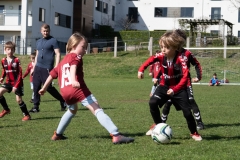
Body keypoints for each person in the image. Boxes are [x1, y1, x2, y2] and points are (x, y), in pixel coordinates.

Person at [38, 32, 134, 144]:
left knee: (72, 110)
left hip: (65, 92)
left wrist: (44, 88)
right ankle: (116, 134)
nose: (85, 50)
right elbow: (73, 66)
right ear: (73, 46)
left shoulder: (63, 61)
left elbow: (52, 74)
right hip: (77, 89)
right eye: (83, 47)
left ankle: (58, 134)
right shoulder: (75, 56)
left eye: (86, 48)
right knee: (97, 108)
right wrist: (73, 80)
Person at [138, 31, 202, 141]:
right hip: (164, 86)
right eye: (161, 47)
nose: (163, 50)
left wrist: (175, 89)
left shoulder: (181, 59)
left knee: (187, 111)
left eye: (166, 47)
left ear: (175, 47)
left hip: (178, 88)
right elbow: (149, 60)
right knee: (152, 102)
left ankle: (194, 133)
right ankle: (158, 126)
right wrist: (141, 70)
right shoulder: (161, 56)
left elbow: (185, 77)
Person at [159, 29, 205, 132]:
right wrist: (158, 77)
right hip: (172, 83)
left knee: (191, 100)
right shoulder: (168, 53)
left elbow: (196, 64)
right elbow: (163, 66)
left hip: (185, 83)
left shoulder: (187, 53)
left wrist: (198, 77)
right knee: (168, 102)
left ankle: (199, 122)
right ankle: (161, 123)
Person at [29, 23, 66, 113]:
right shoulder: (38, 42)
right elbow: (37, 55)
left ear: (49, 31)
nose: (45, 33)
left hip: (47, 67)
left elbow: (57, 53)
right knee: (36, 86)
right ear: (41, 31)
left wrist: (56, 66)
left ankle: (62, 100)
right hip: (38, 67)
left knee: (48, 87)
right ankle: (36, 107)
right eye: (44, 31)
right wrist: (34, 67)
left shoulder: (53, 41)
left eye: (47, 31)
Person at [0, 41, 31, 121]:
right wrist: (2, 77)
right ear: (5, 50)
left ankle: (27, 115)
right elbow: (4, 70)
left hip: (17, 83)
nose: (10, 51)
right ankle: (6, 109)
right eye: (8, 49)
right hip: (8, 82)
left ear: (14, 50)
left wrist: (15, 86)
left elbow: (20, 74)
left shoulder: (17, 60)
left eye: (12, 49)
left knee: (19, 100)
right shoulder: (3, 60)